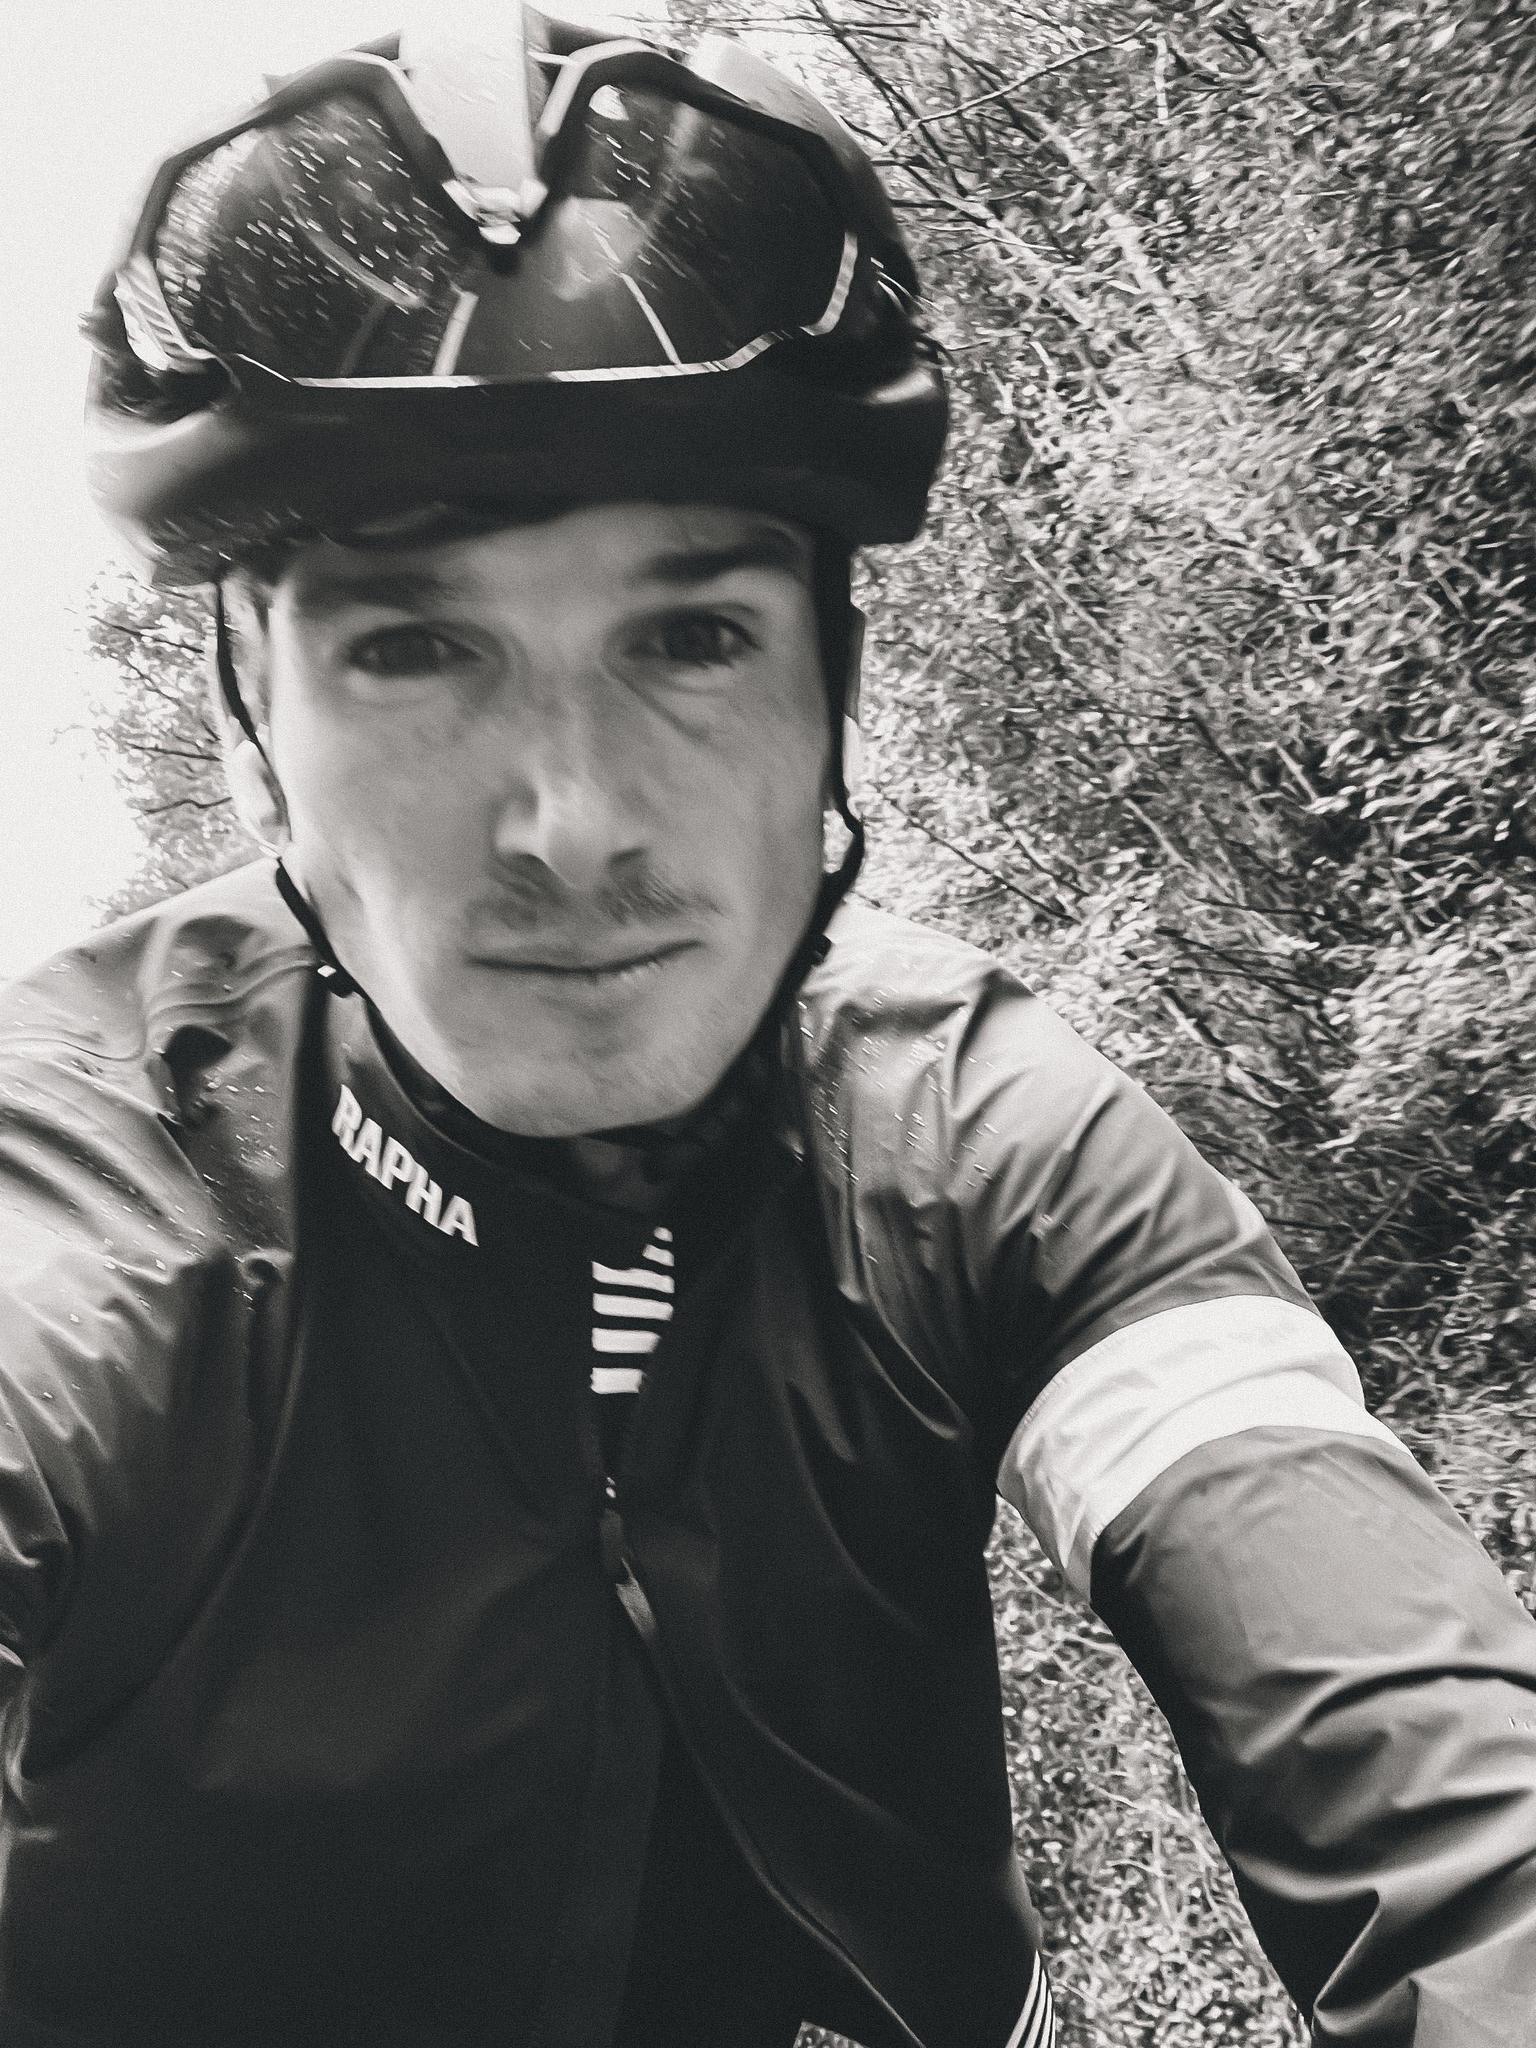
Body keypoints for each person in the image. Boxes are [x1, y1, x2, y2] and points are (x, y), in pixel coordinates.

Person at [4, 8, 1533, 2044]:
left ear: (834, 692)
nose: (573, 822)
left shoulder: (973, 1134)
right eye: (416, 648)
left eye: (693, 635)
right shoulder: (84, 1188)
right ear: (249, 718)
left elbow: (1440, 1788)